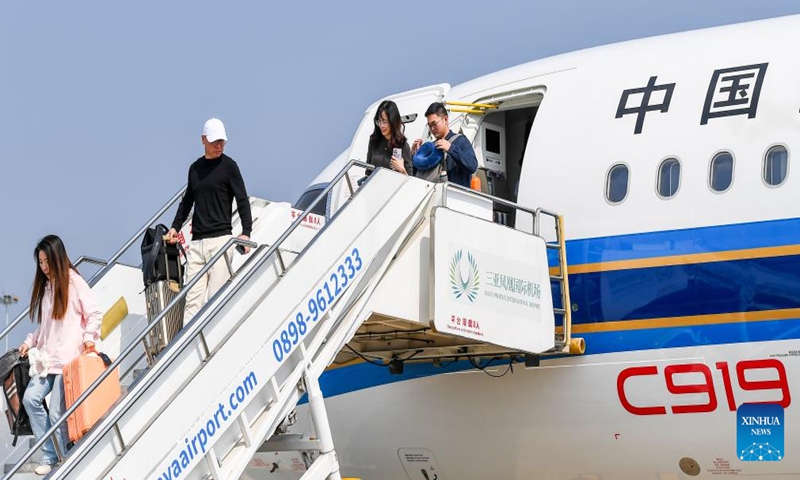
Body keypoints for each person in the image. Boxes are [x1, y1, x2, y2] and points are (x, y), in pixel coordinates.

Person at [19, 235, 102, 476]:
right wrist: (29, 342)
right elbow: (46, 326)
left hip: (69, 362)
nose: (44, 267)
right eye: (40, 262)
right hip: (47, 362)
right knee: (30, 399)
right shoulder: (47, 288)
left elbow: (95, 313)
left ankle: (65, 456)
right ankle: (51, 453)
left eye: (47, 261)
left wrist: (89, 337)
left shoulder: (74, 282)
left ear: (57, 257)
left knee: (56, 412)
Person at [166, 118, 253, 324]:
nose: (219, 146)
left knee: (215, 299)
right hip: (197, 244)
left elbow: (242, 199)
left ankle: (212, 341)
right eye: (214, 142)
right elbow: (187, 201)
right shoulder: (195, 169)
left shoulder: (229, 166)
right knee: (192, 302)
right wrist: (175, 227)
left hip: (220, 241)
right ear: (203, 140)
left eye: (222, 141)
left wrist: (246, 232)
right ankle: (187, 343)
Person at [412, 102, 478, 187]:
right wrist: (415, 156)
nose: (432, 129)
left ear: (445, 119)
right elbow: (417, 176)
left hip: (454, 194)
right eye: (429, 125)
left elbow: (472, 166)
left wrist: (451, 149)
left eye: (434, 124)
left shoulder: (460, 141)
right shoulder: (432, 146)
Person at [366, 100, 412, 175]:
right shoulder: (374, 141)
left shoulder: (403, 146)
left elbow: (410, 178)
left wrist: (402, 170)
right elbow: (368, 171)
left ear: (393, 121)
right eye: (379, 121)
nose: (382, 126)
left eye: (384, 122)